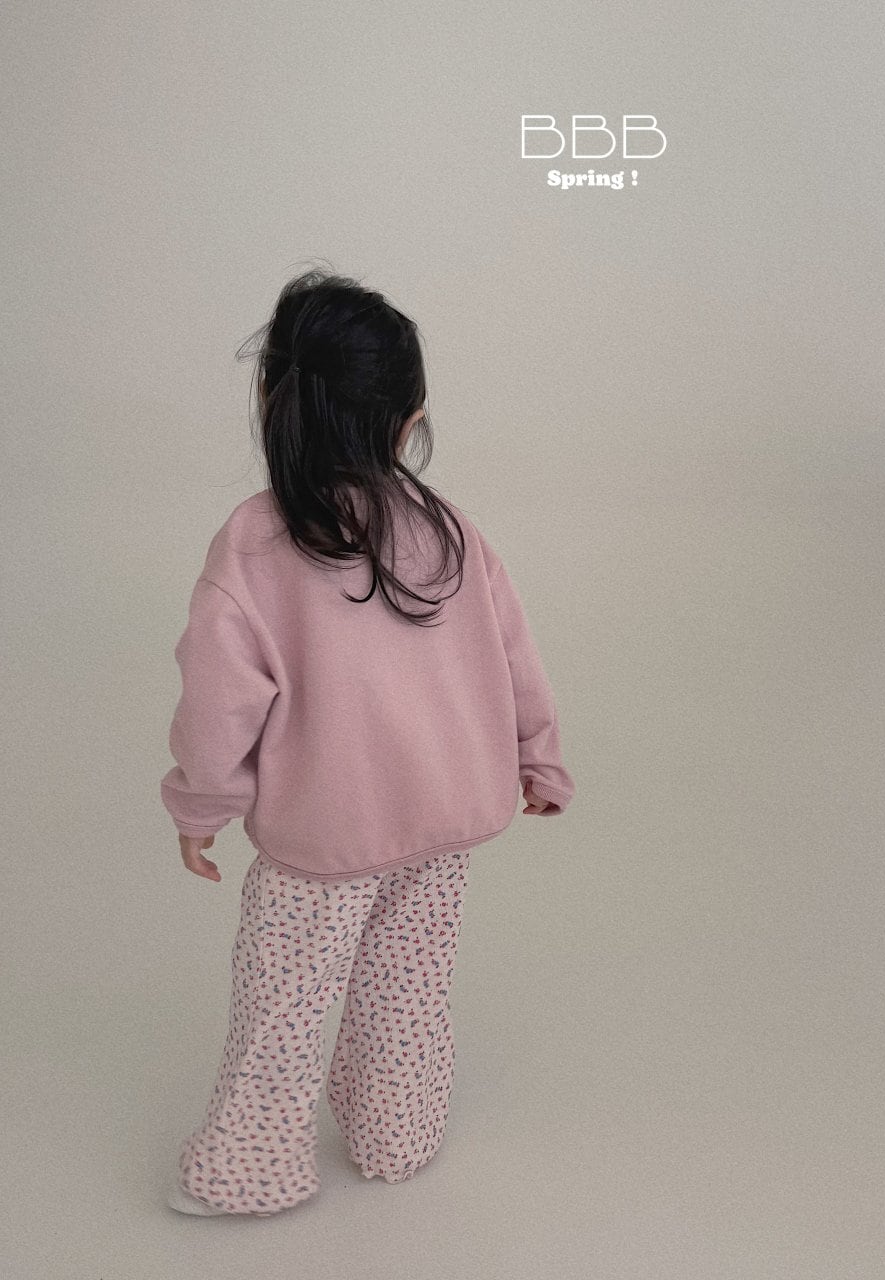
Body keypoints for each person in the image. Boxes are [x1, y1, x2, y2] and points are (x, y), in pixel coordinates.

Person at [159, 267, 575, 1216]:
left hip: (326, 838)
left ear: (272, 401)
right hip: (445, 817)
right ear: (408, 420)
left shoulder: (254, 545)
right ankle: (398, 1135)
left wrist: (201, 805)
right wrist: (538, 757)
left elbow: (220, 699)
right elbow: (515, 655)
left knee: (283, 1009)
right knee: (406, 992)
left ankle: (248, 1172)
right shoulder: (448, 529)